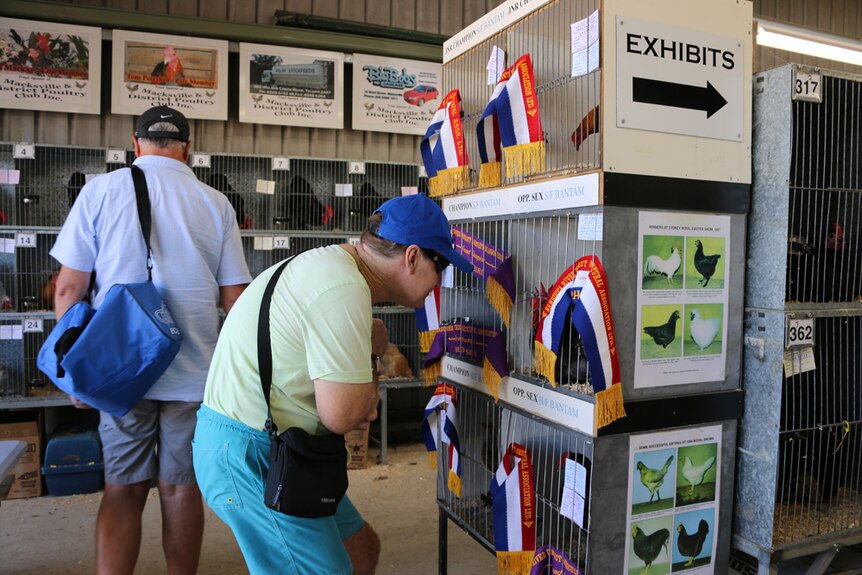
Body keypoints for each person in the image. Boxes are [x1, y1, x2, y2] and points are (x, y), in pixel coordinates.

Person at [194, 193, 473, 575]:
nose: (438, 280)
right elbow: (346, 415)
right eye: (438, 264)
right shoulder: (343, 288)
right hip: (250, 453)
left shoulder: (330, 266)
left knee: (360, 548)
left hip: (280, 445)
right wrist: (373, 353)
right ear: (411, 257)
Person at [51, 105, 251, 575]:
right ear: (189, 148)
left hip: (120, 371)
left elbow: (67, 289)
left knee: (123, 487)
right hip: (194, 369)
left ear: (135, 144)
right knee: (182, 487)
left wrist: (75, 371)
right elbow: (235, 299)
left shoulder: (99, 191)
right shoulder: (215, 202)